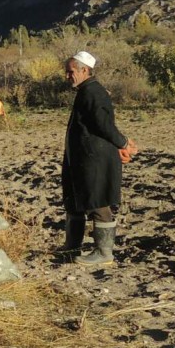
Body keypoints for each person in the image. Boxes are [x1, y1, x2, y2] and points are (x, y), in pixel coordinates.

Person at [60, 50, 137, 266]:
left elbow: (104, 125)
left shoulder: (94, 92)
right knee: (76, 200)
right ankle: (71, 247)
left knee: (97, 201)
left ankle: (104, 253)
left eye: (71, 71)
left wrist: (123, 143)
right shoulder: (86, 91)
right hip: (84, 158)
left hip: (95, 158)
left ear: (84, 70)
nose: (67, 76)